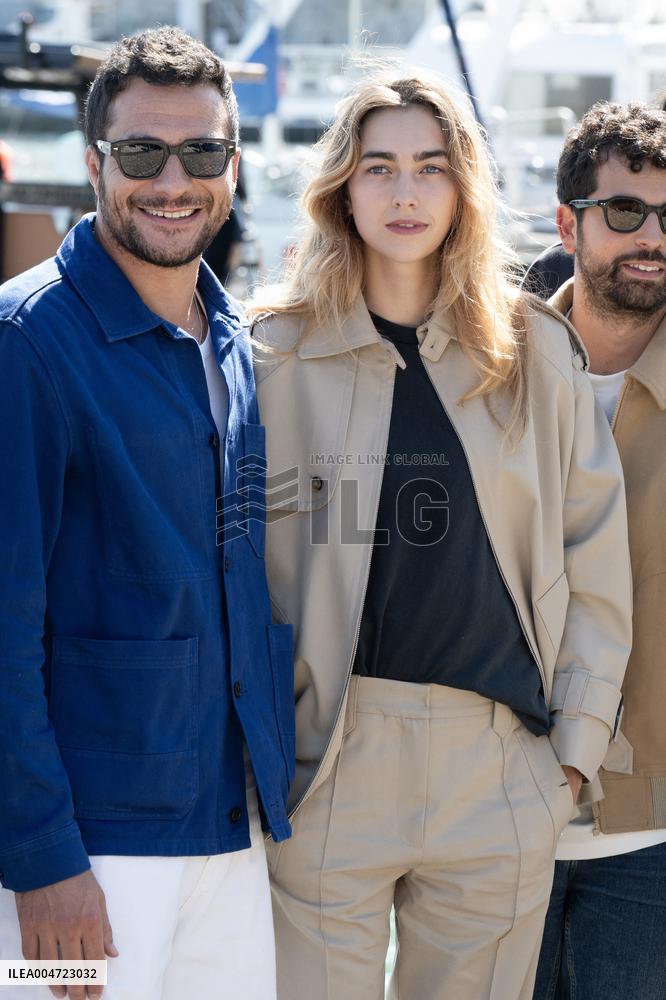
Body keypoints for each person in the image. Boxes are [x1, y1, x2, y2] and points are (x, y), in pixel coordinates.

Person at [250, 74, 633, 1000]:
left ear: (464, 187)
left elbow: (593, 553)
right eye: (378, 167)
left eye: (431, 166)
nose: (406, 193)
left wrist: (572, 758)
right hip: (331, 757)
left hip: (499, 763)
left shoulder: (532, 350)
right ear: (343, 186)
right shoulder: (273, 353)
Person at [0, 26, 293, 1000]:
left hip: (229, 836)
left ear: (234, 166)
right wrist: (39, 862)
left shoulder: (232, 342)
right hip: (83, 860)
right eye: (141, 153)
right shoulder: (25, 344)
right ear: (94, 166)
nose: (173, 179)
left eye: (202, 152)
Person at [532, 101, 666, 1000]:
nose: (652, 237)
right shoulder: (478, 373)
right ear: (566, 223)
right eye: (626, 213)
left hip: (654, 844)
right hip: (491, 831)